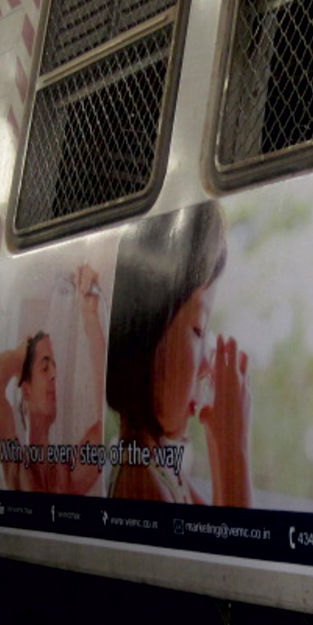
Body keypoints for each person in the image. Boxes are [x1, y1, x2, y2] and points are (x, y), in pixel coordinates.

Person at [107, 202, 252, 506]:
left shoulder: (163, 468)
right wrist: (232, 452)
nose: (206, 366)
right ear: (148, 331)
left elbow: (215, 527)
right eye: (198, 330)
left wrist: (220, 442)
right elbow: (235, 536)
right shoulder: (141, 481)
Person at [0, 264, 106, 495]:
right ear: (26, 389)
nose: (55, 375)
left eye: (54, 367)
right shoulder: (15, 467)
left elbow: (107, 423)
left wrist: (90, 317)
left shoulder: (65, 473)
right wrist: (18, 356)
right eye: (45, 368)